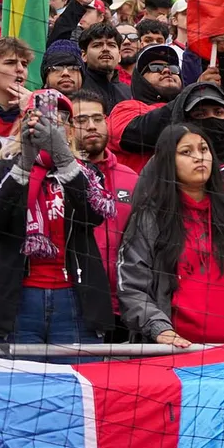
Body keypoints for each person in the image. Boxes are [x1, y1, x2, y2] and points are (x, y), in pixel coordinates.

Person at [118, 125, 224, 346]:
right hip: (172, 354)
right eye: (186, 152)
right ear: (168, 161)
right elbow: (131, 286)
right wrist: (159, 329)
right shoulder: (149, 218)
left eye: (204, 149)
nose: (199, 157)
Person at [0, 91, 117, 344]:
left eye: (60, 119)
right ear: (24, 124)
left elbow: (95, 215)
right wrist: (24, 166)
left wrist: (64, 159)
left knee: (78, 381)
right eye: (38, 117)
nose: (49, 124)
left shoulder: (86, 172)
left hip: (76, 300)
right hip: (17, 301)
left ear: (68, 130)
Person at [70, 91, 137, 320]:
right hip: (73, 303)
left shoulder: (131, 179)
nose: (91, 126)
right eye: (81, 120)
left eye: (98, 119)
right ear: (67, 127)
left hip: (125, 307)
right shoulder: (56, 177)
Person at [107, 45, 186, 173]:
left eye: (173, 68)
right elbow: (137, 136)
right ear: (140, 79)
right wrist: (188, 97)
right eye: (156, 68)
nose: (167, 71)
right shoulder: (126, 107)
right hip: (141, 190)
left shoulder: (192, 108)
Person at [79, 23, 133, 109]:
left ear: (119, 56)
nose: (105, 49)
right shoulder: (77, 88)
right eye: (97, 45)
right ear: (84, 55)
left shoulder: (129, 93)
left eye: (111, 45)